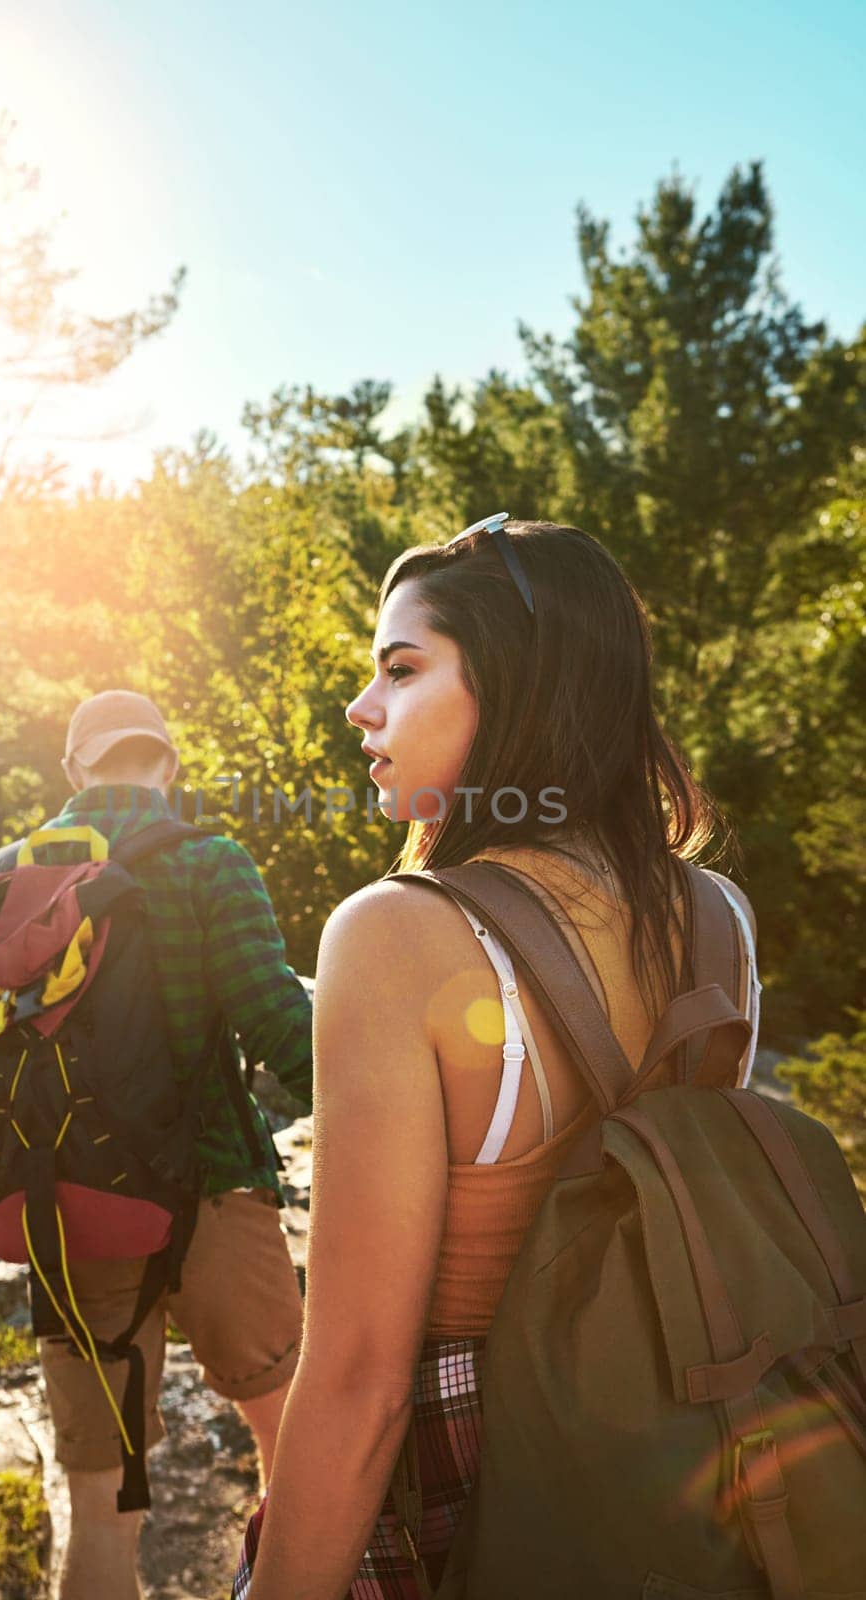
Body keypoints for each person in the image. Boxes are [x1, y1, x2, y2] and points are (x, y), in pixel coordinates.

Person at [234, 517, 759, 1600]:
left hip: (471, 1477)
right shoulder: (718, 916)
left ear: (514, 684)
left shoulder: (393, 934)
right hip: (688, 1470)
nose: (359, 705)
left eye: (401, 667)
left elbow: (359, 1383)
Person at [0, 689, 312, 1600]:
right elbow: (274, 1020)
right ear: (167, 764)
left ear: (74, 769)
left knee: (100, 1500)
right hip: (216, 1189)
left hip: (69, 1206)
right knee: (295, 1443)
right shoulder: (211, 862)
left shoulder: (3, 875)